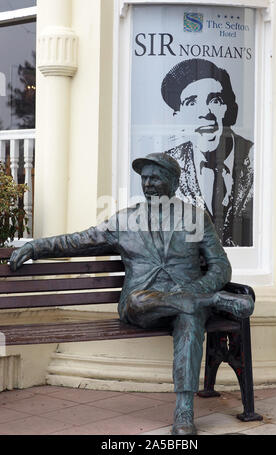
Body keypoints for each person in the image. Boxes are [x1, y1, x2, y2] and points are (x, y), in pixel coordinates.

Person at [10, 153, 254, 435]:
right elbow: (77, 241)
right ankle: (209, 301)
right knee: (141, 299)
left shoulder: (195, 219)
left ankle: (184, 410)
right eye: (144, 178)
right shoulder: (125, 221)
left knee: (189, 316)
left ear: (173, 183)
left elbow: (221, 266)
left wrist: (194, 290)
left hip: (187, 302)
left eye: (155, 177)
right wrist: (36, 246)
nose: (148, 183)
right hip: (142, 306)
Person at [161, 58, 253, 247]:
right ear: (178, 117)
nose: (205, 112)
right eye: (191, 102)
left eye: (215, 100)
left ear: (228, 109)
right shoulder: (168, 165)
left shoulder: (257, 158)